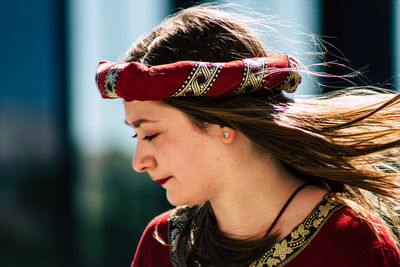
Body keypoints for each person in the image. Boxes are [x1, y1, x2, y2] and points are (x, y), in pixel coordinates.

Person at [95, 4, 400, 267]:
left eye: (150, 134)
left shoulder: (354, 245)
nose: (139, 162)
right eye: (136, 136)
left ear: (222, 124)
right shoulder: (160, 245)